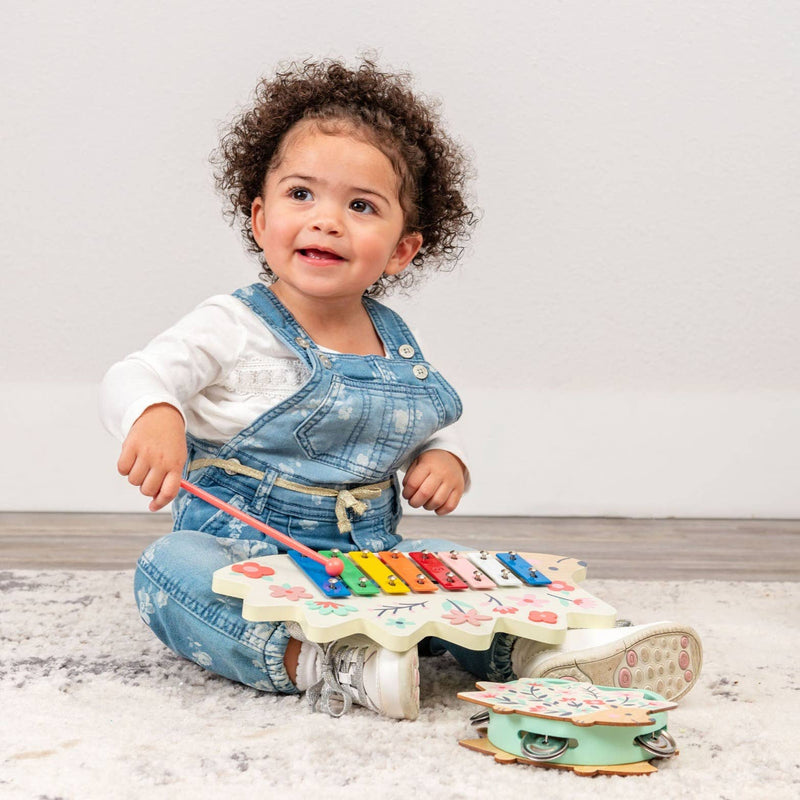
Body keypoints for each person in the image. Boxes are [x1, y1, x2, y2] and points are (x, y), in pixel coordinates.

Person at [101, 59, 701, 720]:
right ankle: (331, 664)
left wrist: (443, 458)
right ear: (259, 216)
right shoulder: (231, 324)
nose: (326, 220)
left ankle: (542, 655)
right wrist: (154, 414)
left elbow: (425, 424)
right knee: (168, 568)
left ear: (401, 251)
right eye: (302, 195)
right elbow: (138, 372)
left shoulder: (393, 338)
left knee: (457, 566)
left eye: (360, 206)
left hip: (367, 560)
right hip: (240, 552)